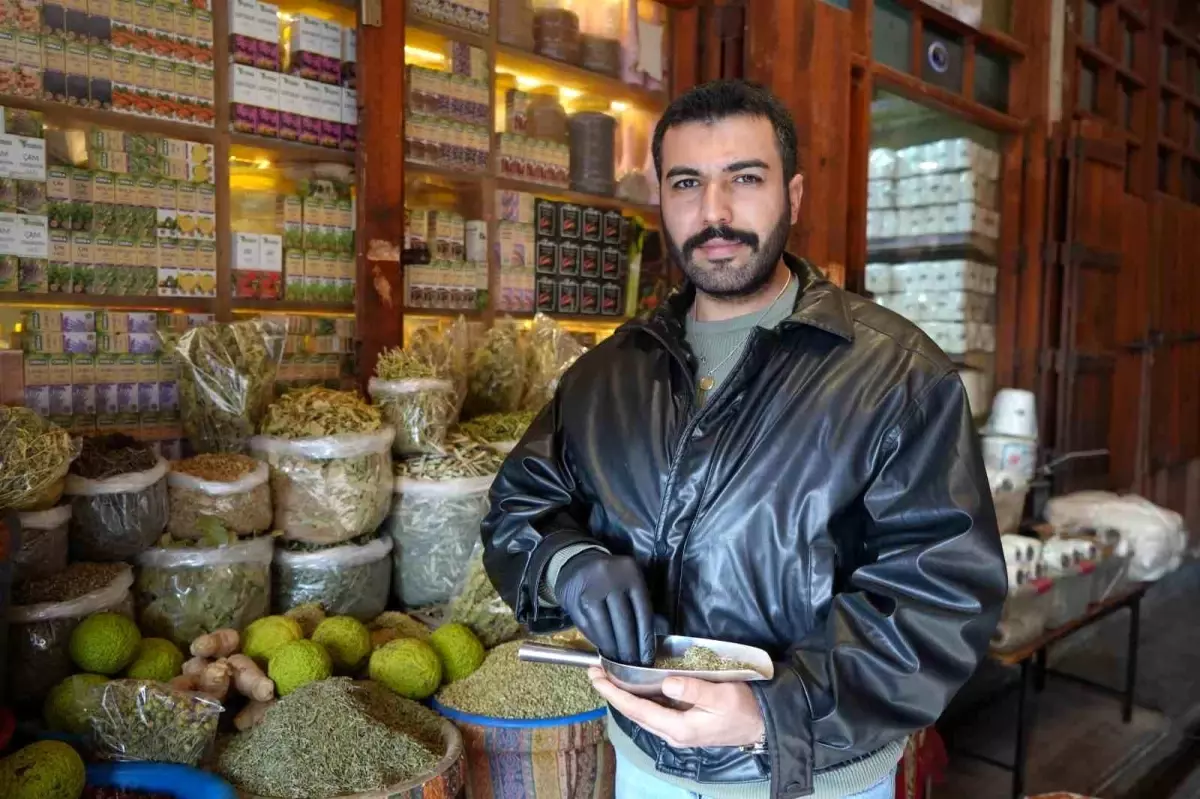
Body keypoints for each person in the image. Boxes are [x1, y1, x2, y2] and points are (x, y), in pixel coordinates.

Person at [480, 79, 1007, 799]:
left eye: (745, 179)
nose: (715, 212)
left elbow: (944, 598)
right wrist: (567, 562)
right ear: (661, 198)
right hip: (644, 758)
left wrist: (773, 711)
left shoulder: (896, 373)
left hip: (811, 772)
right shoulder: (607, 375)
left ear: (792, 194)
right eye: (688, 183)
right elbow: (517, 511)